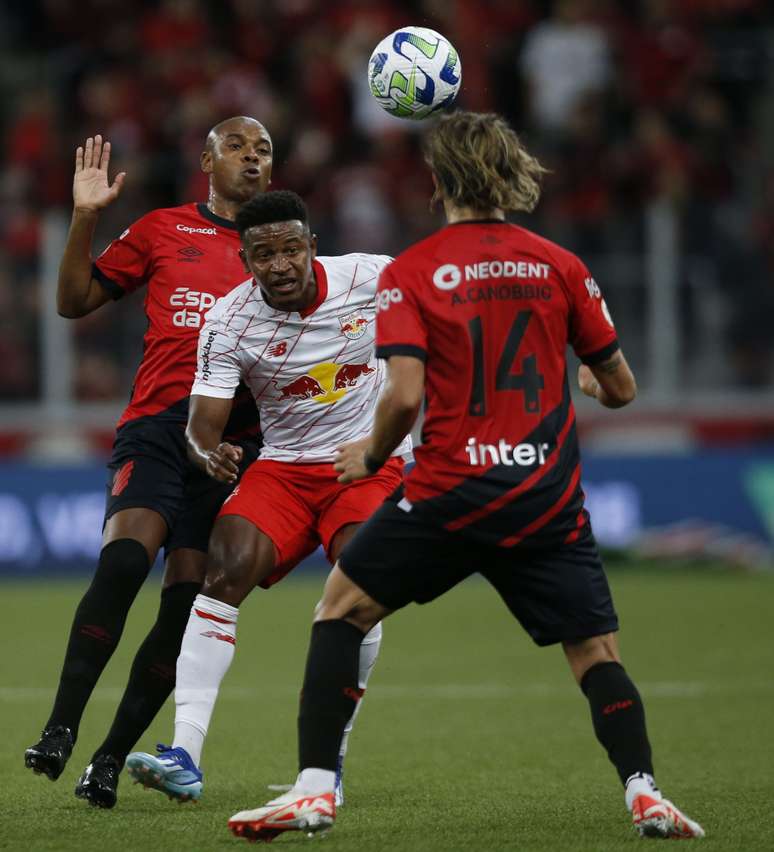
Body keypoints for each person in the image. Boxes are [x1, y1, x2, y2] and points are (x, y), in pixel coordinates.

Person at [226, 112, 705, 843]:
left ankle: (315, 791)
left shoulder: (413, 271)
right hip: (543, 495)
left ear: (439, 181)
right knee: (594, 652)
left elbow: (406, 394)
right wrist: (589, 382)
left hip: (449, 493)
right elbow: (622, 388)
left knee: (340, 607)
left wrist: (375, 454)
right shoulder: (559, 263)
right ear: (509, 175)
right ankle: (644, 791)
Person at [125, 190, 408, 807]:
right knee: (220, 573)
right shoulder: (228, 321)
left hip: (365, 465)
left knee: (359, 584)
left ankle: (329, 760)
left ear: (312, 245)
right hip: (282, 469)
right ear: (246, 259)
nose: (278, 265)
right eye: (262, 254)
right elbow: (203, 424)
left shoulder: (371, 276)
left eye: (289, 249)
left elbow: (446, 309)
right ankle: (184, 756)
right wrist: (208, 453)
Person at [24, 117, 273, 809]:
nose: (252, 159)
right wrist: (82, 218)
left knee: (186, 607)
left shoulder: (281, 254)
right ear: (205, 160)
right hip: (159, 429)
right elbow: (73, 302)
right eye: (237, 147)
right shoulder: (164, 230)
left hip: (229, 446)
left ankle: (107, 760)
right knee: (125, 561)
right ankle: (59, 728)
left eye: (264, 151)